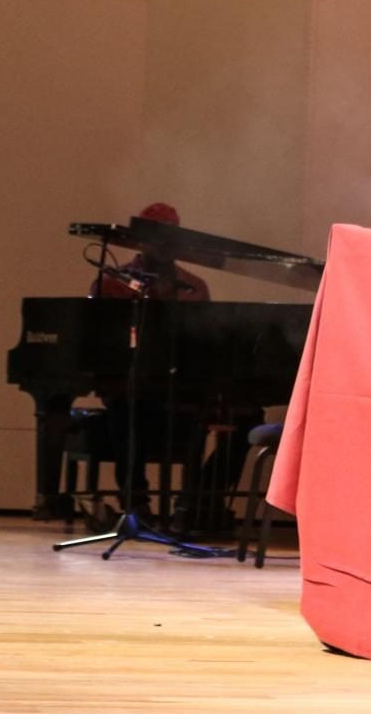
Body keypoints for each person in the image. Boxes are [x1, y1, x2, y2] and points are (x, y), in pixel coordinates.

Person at [89, 202, 254, 535]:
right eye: (155, 237)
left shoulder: (193, 286)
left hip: (184, 388)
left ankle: (200, 503)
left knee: (249, 418)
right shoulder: (114, 284)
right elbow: (99, 343)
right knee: (127, 411)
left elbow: (208, 347)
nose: (163, 246)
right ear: (140, 240)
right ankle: (137, 506)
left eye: (170, 238)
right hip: (132, 385)